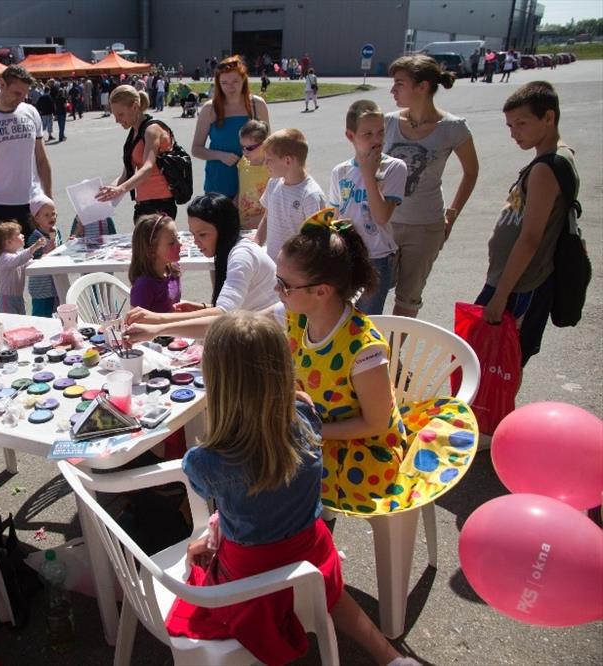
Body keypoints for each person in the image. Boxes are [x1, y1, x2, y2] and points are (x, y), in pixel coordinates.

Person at [126, 214, 478, 518]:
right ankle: (253, 537)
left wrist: (301, 431)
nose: (276, 290)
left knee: (258, 474)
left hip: (358, 453)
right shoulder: (295, 313)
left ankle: (275, 545)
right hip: (309, 428)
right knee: (247, 464)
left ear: (321, 291)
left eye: (284, 284)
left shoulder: (364, 349)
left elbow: (375, 423)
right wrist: (158, 325)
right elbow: (235, 325)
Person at [163, 311, 423, 666]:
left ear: (217, 382)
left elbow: (229, 498)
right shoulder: (305, 418)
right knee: (331, 593)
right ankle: (392, 658)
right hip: (310, 551)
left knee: (201, 569)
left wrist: (212, 538)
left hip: (249, 576)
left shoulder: (204, 461)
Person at [477, 81, 578, 366]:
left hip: (521, 287)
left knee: (498, 365)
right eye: (510, 126)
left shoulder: (547, 168)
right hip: (510, 282)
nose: (514, 133)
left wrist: (500, 297)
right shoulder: (549, 159)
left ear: (548, 117)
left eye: (521, 124)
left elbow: (531, 238)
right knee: (486, 360)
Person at [385, 55, 479, 318]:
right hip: (385, 223)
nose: (392, 90)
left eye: (399, 83)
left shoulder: (453, 128)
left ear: (422, 86)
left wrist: (452, 214)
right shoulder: (387, 122)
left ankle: (395, 346)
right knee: (371, 291)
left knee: (409, 296)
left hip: (425, 227)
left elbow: (471, 172)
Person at [125, 194, 277, 330]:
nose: (195, 242)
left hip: (269, 334)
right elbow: (232, 308)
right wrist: (201, 308)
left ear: (223, 230)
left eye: (202, 234)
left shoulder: (241, 257)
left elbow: (224, 314)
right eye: (193, 234)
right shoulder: (234, 250)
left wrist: (158, 320)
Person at [329, 100, 407, 314]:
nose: (377, 140)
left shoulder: (394, 168)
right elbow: (336, 215)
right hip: (347, 255)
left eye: (381, 132)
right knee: (340, 315)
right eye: (368, 134)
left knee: (367, 318)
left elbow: (381, 217)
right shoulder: (340, 172)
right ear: (350, 136)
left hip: (377, 258)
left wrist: (368, 173)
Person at [0, 65, 52, 254]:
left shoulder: (31, 112)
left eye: (25, 94)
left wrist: (48, 199)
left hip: (34, 203)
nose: (21, 99)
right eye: (17, 93)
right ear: (2, 85)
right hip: (0, 207)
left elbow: (42, 160)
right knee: (8, 266)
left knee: (42, 261)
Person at [191, 55, 270, 198]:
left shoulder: (257, 105)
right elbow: (196, 149)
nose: (230, 87)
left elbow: (269, 145)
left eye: (235, 81)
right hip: (220, 182)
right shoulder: (210, 109)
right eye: (224, 83)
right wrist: (219, 155)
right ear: (218, 84)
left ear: (244, 80)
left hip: (253, 182)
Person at [95, 85, 178, 220]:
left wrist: (121, 189)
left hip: (160, 204)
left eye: (120, 114)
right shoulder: (134, 132)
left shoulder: (152, 130)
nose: (117, 120)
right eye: (115, 115)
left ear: (134, 107)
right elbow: (126, 173)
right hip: (143, 204)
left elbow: (148, 167)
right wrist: (109, 190)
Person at [255, 128, 328, 261]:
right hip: (272, 263)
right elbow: (267, 218)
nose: (265, 164)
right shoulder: (273, 183)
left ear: (288, 161)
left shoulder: (310, 196)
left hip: (296, 268)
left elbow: (317, 241)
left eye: (269, 159)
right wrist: (256, 244)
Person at [0, 221, 46, 314]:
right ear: (9, 242)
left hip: (18, 298)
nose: (22, 235)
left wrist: (44, 260)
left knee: (20, 321)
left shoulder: (17, 255)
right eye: (18, 234)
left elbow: (31, 263)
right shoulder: (5, 258)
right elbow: (20, 259)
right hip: (7, 300)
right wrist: (35, 246)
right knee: (11, 321)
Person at [128, 214, 182, 313]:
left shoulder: (174, 269)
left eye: (178, 238)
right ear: (151, 250)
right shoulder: (144, 286)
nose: (180, 244)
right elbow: (136, 321)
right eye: (171, 243)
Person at [27, 193, 62, 317]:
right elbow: (34, 262)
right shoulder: (35, 238)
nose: (51, 217)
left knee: (57, 315)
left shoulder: (57, 231)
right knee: (41, 316)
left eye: (53, 213)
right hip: (41, 288)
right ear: (36, 219)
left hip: (56, 284)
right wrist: (47, 250)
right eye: (46, 215)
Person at [235, 120, 271, 229]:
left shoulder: (271, 167)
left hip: (264, 224)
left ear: (264, 144)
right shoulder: (243, 163)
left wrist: (262, 218)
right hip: (243, 222)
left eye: (249, 148)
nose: (245, 152)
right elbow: (241, 190)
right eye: (242, 147)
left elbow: (279, 200)